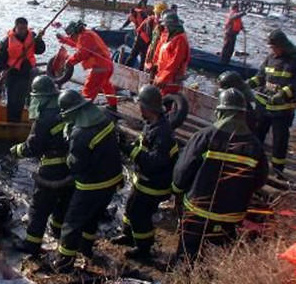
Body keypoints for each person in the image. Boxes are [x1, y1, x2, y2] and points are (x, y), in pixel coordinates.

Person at [172, 88, 268, 263]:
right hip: (231, 217)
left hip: (198, 212)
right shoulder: (255, 146)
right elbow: (260, 180)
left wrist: (177, 192)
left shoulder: (205, 137)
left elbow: (182, 172)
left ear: (221, 111)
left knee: (187, 253)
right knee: (214, 258)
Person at [54, 90, 124, 272]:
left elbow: (75, 165)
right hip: (112, 180)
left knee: (72, 222)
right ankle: (86, 249)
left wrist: (68, 143)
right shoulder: (103, 117)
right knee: (92, 217)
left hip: (91, 185)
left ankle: (64, 263)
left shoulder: (81, 134)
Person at [10, 76, 74, 255]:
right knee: (63, 202)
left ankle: (32, 244)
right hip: (71, 166)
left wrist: (17, 151)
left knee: (39, 208)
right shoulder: (66, 108)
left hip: (51, 169)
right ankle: (57, 231)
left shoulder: (44, 118)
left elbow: (33, 146)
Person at [115, 85, 179, 259]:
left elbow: (154, 162)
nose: (138, 108)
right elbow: (143, 145)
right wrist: (129, 144)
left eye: (140, 105)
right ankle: (128, 236)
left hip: (154, 184)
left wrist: (129, 150)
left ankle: (143, 249)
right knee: (130, 207)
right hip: (143, 180)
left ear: (145, 107)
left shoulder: (163, 134)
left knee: (140, 215)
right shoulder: (152, 124)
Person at [247, 29, 296, 172]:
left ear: (282, 45)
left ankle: (277, 169)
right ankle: (254, 163)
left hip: (282, 110)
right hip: (263, 105)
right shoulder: (270, 58)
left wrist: (284, 94)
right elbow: (260, 76)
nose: (273, 50)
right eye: (271, 47)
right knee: (257, 136)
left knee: (279, 141)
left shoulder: (293, 60)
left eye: (275, 47)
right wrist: (249, 83)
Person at [56, 20, 117, 110]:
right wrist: (64, 40)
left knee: (88, 89)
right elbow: (79, 45)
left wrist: (70, 62)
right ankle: (113, 106)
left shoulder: (85, 37)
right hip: (107, 66)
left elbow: (82, 53)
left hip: (100, 68)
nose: (71, 38)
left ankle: (83, 110)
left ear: (75, 32)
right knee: (106, 86)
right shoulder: (87, 34)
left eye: (71, 35)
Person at [0, 17, 46, 122]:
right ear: (15, 28)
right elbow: (0, 58)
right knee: (12, 100)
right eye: (20, 29)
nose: (23, 31)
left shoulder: (32, 37)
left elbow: (40, 50)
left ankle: (20, 120)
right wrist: (1, 70)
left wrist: (40, 40)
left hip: (26, 73)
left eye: (24, 28)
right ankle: (11, 122)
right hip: (12, 73)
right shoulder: (6, 41)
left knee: (21, 100)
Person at [152, 12, 191, 96]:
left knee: (167, 101)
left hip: (171, 79)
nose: (165, 27)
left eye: (166, 26)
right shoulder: (167, 36)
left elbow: (174, 62)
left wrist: (163, 78)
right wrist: (155, 65)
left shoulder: (180, 40)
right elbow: (159, 52)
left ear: (171, 26)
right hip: (162, 75)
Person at [144, 2, 169, 73]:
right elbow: (152, 45)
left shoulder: (166, 32)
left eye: (158, 15)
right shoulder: (157, 28)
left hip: (158, 63)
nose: (156, 17)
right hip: (151, 58)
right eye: (156, 14)